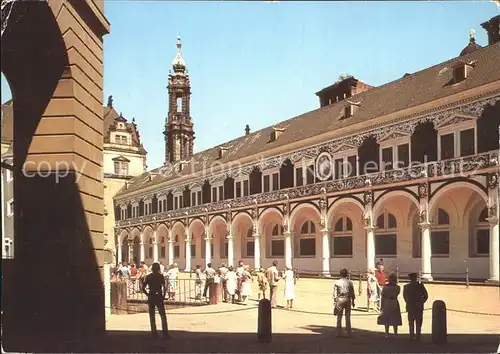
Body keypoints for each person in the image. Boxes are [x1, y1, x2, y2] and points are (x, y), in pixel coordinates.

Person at [142, 262, 169, 338]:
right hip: (159, 296)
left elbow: (143, 288)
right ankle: (165, 333)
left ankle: (154, 333)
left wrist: (148, 294)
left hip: (151, 295)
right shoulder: (160, 276)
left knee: (152, 315)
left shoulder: (148, 277)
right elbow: (164, 287)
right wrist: (163, 295)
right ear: (158, 269)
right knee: (163, 315)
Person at [403, 273, 428, 341]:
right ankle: (418, 336)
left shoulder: (406, 286)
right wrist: (421, 302)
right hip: (418, 306)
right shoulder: (420, 286)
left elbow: (405, 297)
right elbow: (425, 296)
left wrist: (409, 303)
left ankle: (411, 335)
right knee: (418, 322)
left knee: (411, 322)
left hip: (411, 306)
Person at [378, 272, 402, 339]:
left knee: (387, 318)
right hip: (394, 301)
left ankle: (387, 333)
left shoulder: (385, 287)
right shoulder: (397, 287)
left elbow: (383, 297)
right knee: (395, 317)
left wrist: (381, 307)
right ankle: (395, 333)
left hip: (387, 302)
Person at [333, 268, 356, 337]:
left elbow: (334, 293)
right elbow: (352, 292)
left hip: (340, 299)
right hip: (347, 299)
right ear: (346, 274)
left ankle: (338, 332)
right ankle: (349, 332)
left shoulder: (337, 282)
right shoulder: (349, 282)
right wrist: (353, 301)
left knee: (339, 316)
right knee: (348, 316)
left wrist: (335, 301)